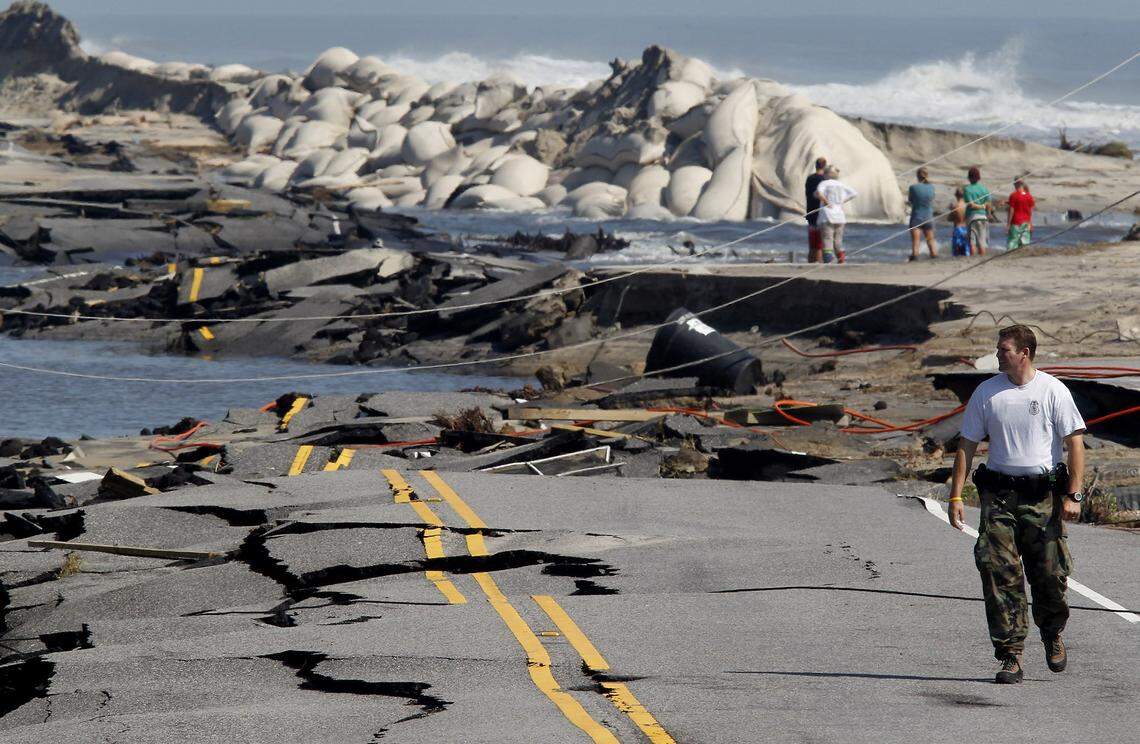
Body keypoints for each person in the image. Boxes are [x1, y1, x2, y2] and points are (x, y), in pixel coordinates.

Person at [948, 325, 1086, 685]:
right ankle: (1011, 655)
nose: (998, 354)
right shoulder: (987, 392)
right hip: (1000, 498)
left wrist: (1074, 495)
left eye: (1004, 349)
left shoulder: (1052, 390)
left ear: (1024, 352)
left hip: (1042, 498)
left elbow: (1074, 445)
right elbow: (966, 445)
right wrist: (956, 495)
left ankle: (1052, 632)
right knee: (997, 572)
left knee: (1050, 576)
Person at [815, 165, 857, 264]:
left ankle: (828, 261)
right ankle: (841, 260)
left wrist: (826, 202)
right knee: (838, 240)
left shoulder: (824, 183)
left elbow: (819, 193)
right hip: (840, 216)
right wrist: (842, 201)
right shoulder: (841, 184)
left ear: (826, 174)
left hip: (827, 215)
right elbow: (854, 193)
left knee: (827, 239)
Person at [907, 167, 938, 261]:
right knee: (930, 240)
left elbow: (910, 200)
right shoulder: (931, 187)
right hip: (928, 216)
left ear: (917, 176)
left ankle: (915, 257)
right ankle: (934, 256)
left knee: (916, 241)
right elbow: (932, 198)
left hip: (917, 216)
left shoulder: (913, 188)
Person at [963, 166, 994, 255]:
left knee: (972, 242)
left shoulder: (967, 189)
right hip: (983, 217)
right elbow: (988, 204)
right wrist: (988, 214)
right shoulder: (984, 189)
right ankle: (981, 259)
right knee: (982, 242)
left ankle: (973, 259)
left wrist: (982, 207)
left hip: (972, 217)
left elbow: (971, 205)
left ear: (969, 177)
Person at [804, 157, 827, 263]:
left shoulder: (809, 178)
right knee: (819, 244)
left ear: (816, 165)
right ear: (824, 166)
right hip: (820, 213)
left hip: (810, 212)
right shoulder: (824, 180)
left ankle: (810, 263)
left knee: (812, 243)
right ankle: (817, 265)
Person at [1007, 178, 1035, 250]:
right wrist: (1031, 224)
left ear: (1016, 184)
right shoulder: (1029, 196)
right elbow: (1030, 211)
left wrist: (1008, 224)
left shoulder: (1013, 195)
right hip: (1026, 222)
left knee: (1013, 242)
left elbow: (1011, 210)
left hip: (1016, 222)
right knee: (1024, 243)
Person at [949, 188, 970, 256]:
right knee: (966, 249)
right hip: (966, 228)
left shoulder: (955, 206)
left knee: (956, 250)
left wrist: (951, 210)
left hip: (957, 228)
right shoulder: (967, 206)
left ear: (956, 195)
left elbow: (949, 219)